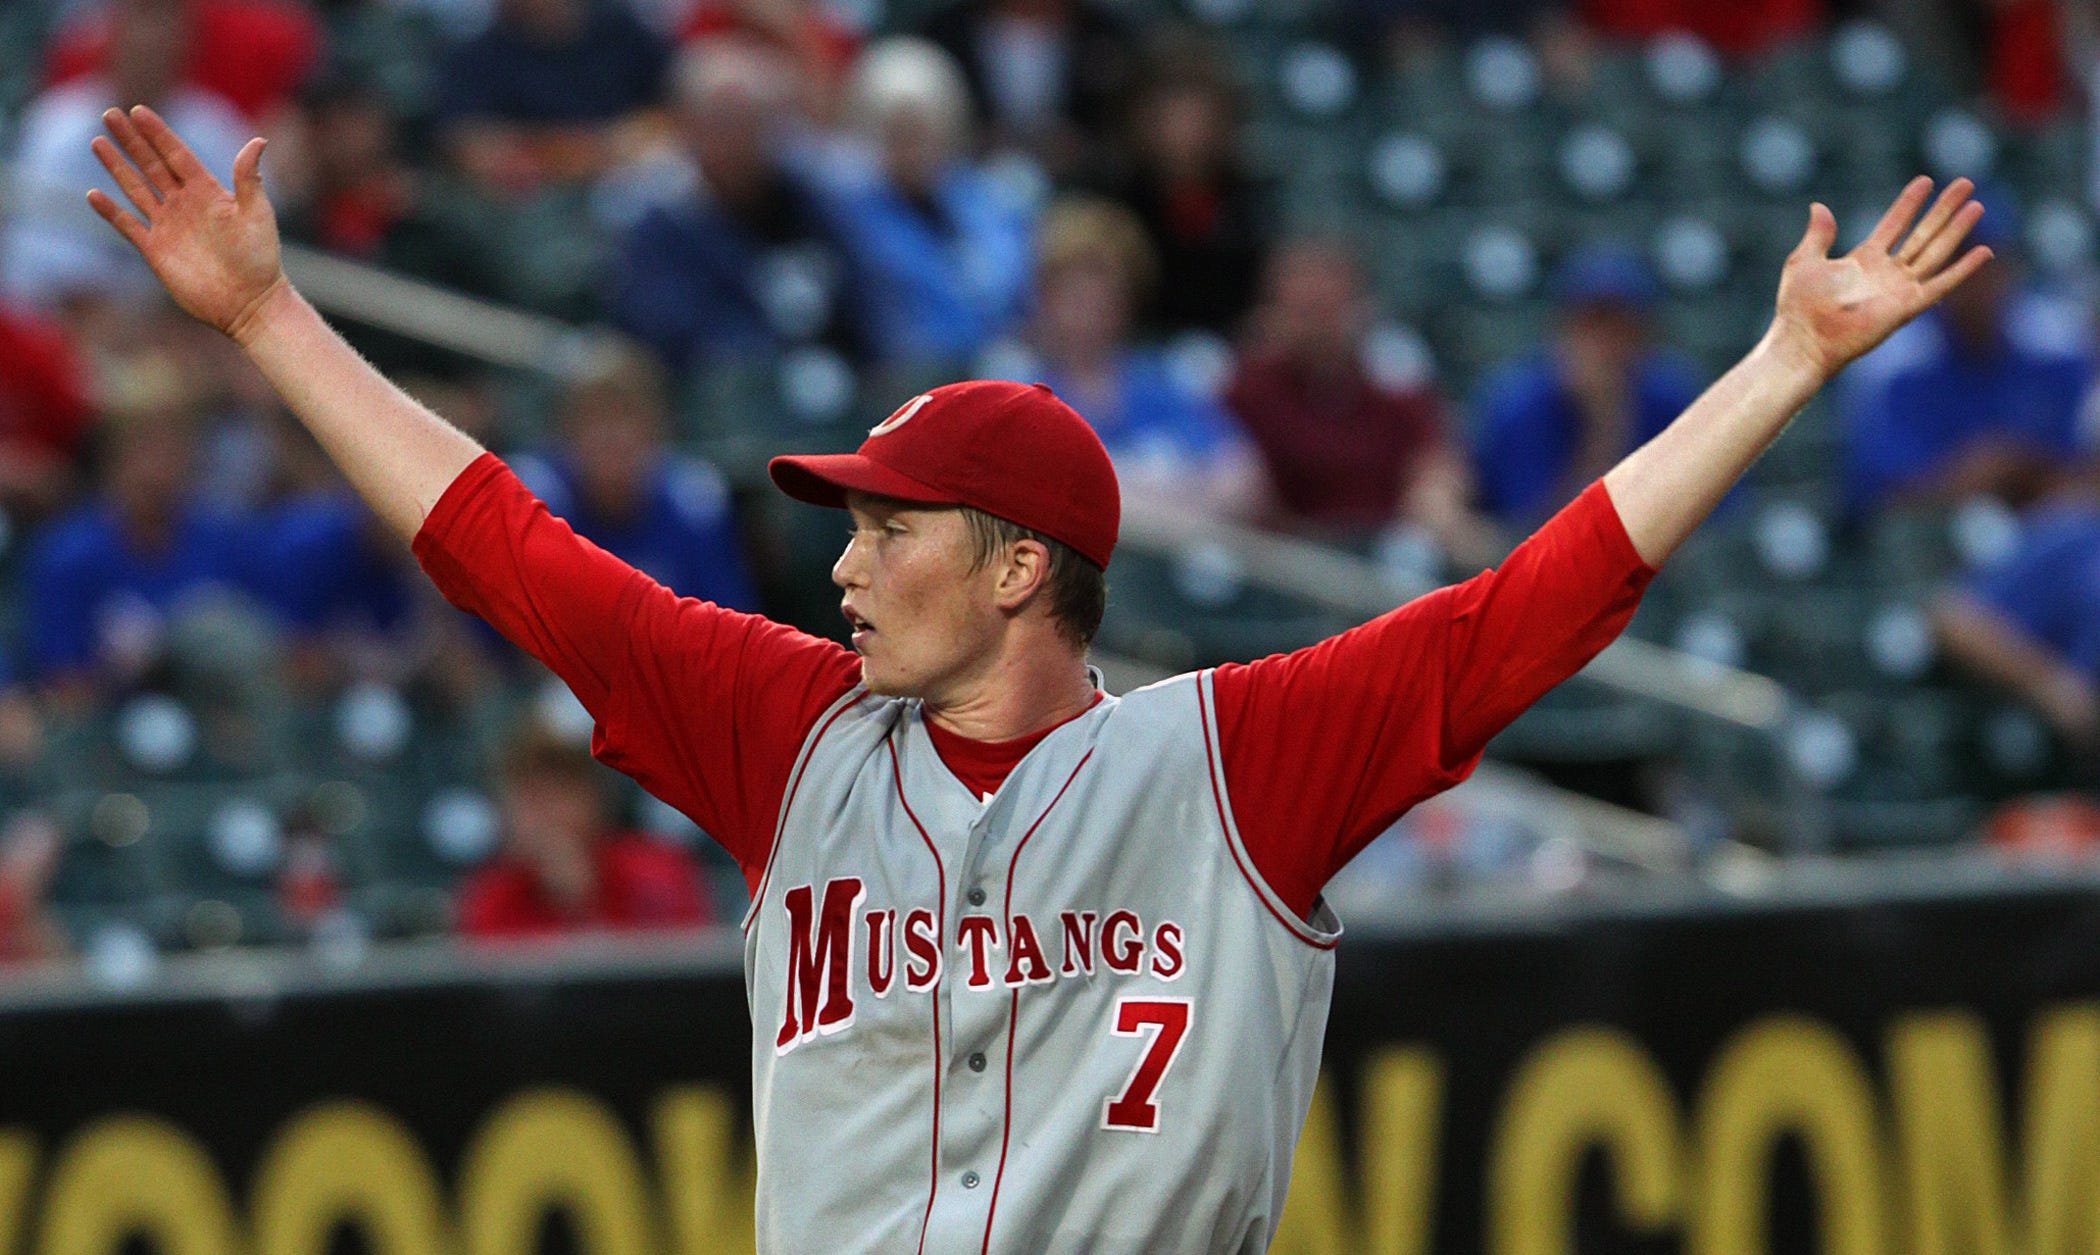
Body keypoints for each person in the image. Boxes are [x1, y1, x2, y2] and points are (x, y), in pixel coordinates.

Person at [87, 102, 1989, 1252]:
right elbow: (513, 552)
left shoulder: (1236, 762)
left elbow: (1532, 610)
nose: (842, 563)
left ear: (1016, 571)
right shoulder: (788, 737)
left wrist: (1779, 370)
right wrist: (267, 315)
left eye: (885, 526)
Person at [1225, 235, 1498, 563]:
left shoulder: (1393, 380)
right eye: (1304, 309)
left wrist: (1440, 506)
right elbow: (1241, 496)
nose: (1317, 325)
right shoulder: (1246, 389)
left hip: (1386, 555)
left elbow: (1437, 467)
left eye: (1327, 307)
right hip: (1288, 564)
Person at [608, 40, 865, 371]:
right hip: (720, 395)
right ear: (687, 128)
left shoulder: (813, 201)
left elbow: (865, 299)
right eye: (724, 123)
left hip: (833, 383)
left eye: (756, 121)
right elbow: (669, 333)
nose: (741, 139)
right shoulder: (660, 222)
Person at [1839, 198, 2094, 517]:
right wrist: (1969, 476)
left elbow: (2085, 473)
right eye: (1956, 266)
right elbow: (1879, 501)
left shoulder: (2056, 356)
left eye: (1985, 267)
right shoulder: (1899, 366)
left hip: (2051, 538)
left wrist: (2024, 469)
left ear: (2010, 269)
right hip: (1940, 548)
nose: (1973, 284)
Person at [1013, 196, 1262, 516]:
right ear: (1044, 296)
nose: (1089, 309)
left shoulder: (1162, 381)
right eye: (1074, 293)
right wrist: (1158, 483)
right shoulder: (1016, 383)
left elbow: (1242, 480)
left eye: (1106, 295)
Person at [819, 38, 1034, 366]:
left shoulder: (990, 202)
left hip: (996, 373)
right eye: (897, 132)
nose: (910, 146)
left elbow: (1017, 293)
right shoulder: (845, 215)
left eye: (921, 129)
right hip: (902, 382)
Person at [1470, 245, 1706, 533]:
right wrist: (1602, 425)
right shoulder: (1520, 404)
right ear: (1563, 330)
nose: (1605, 343)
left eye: (1621, 326)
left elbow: (1715, 521)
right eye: (1593, 325)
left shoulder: (1673, 398)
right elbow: (1540, 540)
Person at [459, 725, 712, 939]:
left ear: (594, 801)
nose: (546, 815)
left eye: (560, 794)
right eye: (530, 797)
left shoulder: (660, 873)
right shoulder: (490, 899)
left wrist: (585, 899)